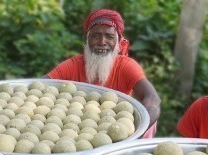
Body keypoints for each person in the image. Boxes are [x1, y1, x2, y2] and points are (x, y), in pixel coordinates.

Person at [46, 8, 161, 137]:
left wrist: (136, 129)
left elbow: (152, 98)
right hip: (74, 127)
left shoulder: (126, 66)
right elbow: (41, 85)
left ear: (117, 41)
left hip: (115, 128)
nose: (102, 42)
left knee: (149, 124)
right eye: (96, 36)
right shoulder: (73, 65)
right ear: (87, 40)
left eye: (109, 36)